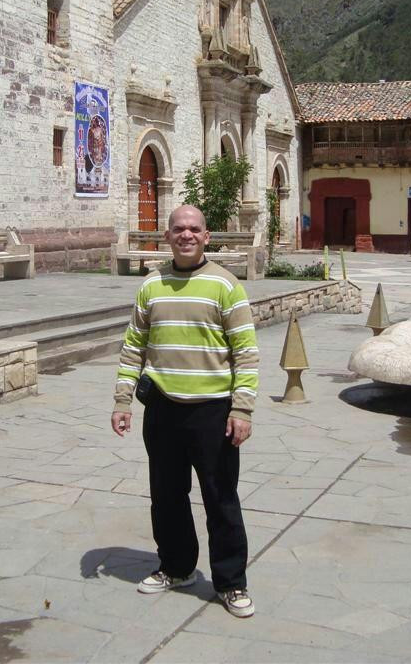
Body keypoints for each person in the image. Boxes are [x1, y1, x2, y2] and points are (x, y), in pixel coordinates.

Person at [111, 205, 257, 618]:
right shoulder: (151, 285)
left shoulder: (225, 285)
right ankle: (176, 567)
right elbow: (133, 346)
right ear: (167, 235)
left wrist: (241, 410)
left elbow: (246, 353)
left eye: (194, 229)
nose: (186, 235)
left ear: (207, 236)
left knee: (220, 498)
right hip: (162, 408)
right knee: (167, 496)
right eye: (178, 229)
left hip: (213, 411)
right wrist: (123, 400)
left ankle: (231, 582)